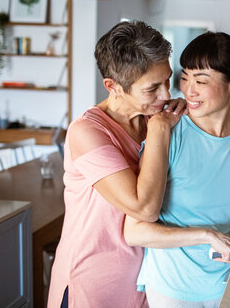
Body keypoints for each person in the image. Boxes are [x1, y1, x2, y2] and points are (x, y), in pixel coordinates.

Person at [124, 31, 230, 308]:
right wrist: (206, 235)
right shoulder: (169, 132)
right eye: (185, 78)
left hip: (225, 275)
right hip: (172, 284)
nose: (189, 90)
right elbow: (136, 231)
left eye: (201, 81)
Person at [47, 21, 187, 308]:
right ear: (113, 87)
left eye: (167, 81)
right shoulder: (88, 131)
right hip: (95, 284)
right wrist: (161, 129)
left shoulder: (154, 115)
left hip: (148, 280)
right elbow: (144, 208)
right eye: (152, 89)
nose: (166, 95)